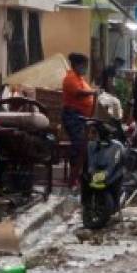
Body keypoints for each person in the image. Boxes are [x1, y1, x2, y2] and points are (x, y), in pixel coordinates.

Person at [62, 53, 98, 188]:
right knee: (78, 145)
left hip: (81, 117)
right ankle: (73, 177)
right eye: (84, 66)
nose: (86, 68)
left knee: (85, 146)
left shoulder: (79, 78)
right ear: (77, 65)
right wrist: (93, 93)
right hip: (73, 117)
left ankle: (81, 175)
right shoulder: (70, 78)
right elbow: (78, 92)